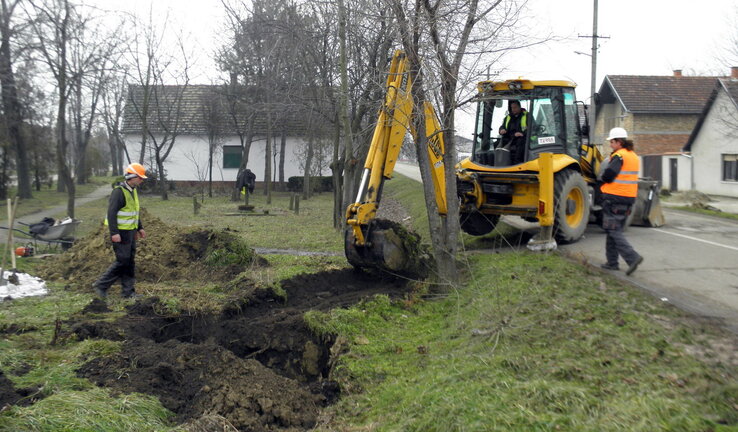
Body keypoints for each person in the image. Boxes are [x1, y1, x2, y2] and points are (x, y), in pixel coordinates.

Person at [93, 163, 148, 298]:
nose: (141, 180)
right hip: (121, 233)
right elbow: (111, 214)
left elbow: (134, 212)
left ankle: (128, 292)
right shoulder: (119, 192)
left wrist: (139, 228)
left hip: (130, 232)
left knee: (129, 261)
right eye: (140, 178)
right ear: (132, 177)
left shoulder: (132, 190)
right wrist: (114, 233)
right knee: (122, 261)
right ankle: (101, 285)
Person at [599, 127, 644, 275]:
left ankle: (632, 257)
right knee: (612, 230)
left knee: (613, 229)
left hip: (614, 197)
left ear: (619, 142)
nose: (610, 145)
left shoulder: (619, 156)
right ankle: (612, 263)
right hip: (628, 198)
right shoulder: (633, 156)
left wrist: (603, 179)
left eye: (612, 142)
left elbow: (610, 173)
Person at [498, 100, 528, 164]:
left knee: (520, 143)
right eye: (512, 108)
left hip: (523, 138)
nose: (513, 109)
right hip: (510, 138)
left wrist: (522, 133)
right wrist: (501, 130)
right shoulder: (508, 117)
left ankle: (517, 162)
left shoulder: (527, 116)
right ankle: (500, 162)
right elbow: (502, 126)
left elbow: (533, 128)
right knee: (497, 143)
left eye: (515, 107)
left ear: (519, 107)